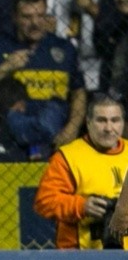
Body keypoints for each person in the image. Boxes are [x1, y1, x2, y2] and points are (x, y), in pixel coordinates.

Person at [0, 0, 87, 158]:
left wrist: (72, 128)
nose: (35, 23)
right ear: (15, 18)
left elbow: (78, 92)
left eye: (40, 15)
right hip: (10, 138)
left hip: (56, 136)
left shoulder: (64, 48)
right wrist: (4, 68)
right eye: (27, 17)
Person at [34, 94, 128, 248]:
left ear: (123, 123)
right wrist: (82, 206)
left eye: (115, 120)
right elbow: (44, 202)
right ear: (88, 122)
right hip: (79, 256)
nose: (108, 128)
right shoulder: (68, 157)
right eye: (101, 120)